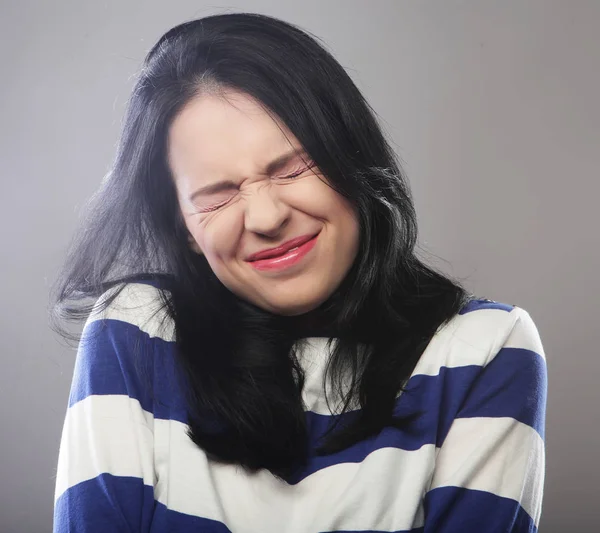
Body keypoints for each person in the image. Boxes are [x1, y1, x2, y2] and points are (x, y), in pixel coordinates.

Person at [51, 12, 547, 533]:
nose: (267, 218)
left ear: (351, 158)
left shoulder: (486, 349)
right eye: (217, 196)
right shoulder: (137, 332)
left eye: (292, 168)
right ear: (183, 231)